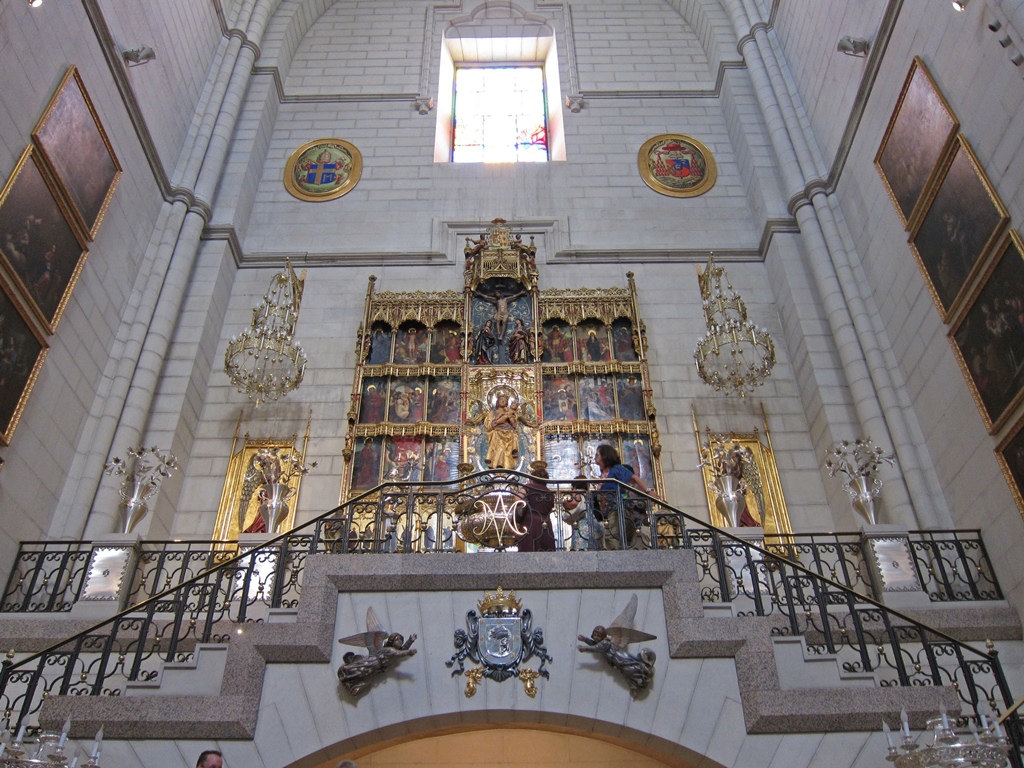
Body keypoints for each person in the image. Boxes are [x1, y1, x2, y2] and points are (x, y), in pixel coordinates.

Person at [594, 444, 655, 549]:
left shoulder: (617, 469)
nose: (595, 457)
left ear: (605, 456)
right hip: (609, 511)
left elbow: (635, 478)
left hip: (618, 508)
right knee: (612, 535)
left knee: (611, 536)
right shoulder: (603, 473)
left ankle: (616, 559)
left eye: (597, 454)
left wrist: (649, 491)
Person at [517, 468, 556, 552]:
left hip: (531, 523)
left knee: (528, 551)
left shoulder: (528, 487)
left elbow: (518, 499)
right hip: (546, 524)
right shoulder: (549, 493)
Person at [562, 475, 601, 550]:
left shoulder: (578, 492)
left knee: (581, 547)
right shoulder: (589, 493)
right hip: (593, 522)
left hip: (583, 523)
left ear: (575, 485)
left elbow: (574, 503)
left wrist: (564, 503)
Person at [483, 394, 520, 469]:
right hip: (497, 435)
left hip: (509, 435)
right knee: (500, 450)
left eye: (505, 400)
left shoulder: (510, 412)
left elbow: (516, 426)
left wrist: (510, 418)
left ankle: (508, 468)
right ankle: (498, 466)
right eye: (501, 399)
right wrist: (498, 422)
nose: (503, 401)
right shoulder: (492, 413)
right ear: (497, 401)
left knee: (507, 453)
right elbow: (488, 426)